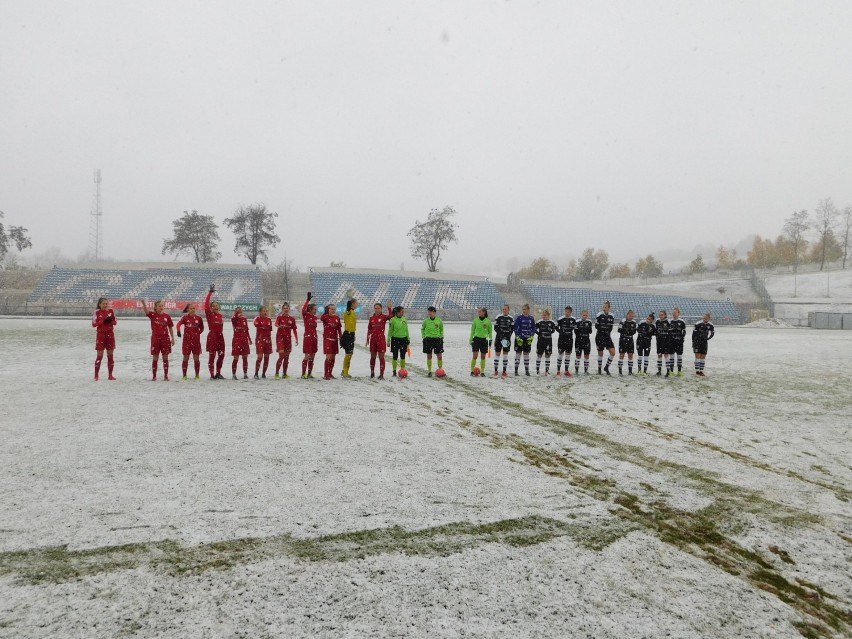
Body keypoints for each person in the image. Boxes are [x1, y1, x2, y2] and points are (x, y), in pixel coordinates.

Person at [141, 300, 175, 381]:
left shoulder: (167, 316)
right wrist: (144, 304)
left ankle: (166, 376)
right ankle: (154, 376)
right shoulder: (153, 315)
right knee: (155, 357)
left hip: (165, 339)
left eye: (162, 306)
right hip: (155, 339)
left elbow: (170, 327)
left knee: (165, 357)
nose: (161, 307)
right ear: (155, 307)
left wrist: (172, 338)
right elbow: (146, 311)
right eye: (159, 306)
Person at [176, 303, 205, 380]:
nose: (192, 310)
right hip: (187, 341)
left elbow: (202, 328)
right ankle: (184, 376)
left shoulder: (199, 318)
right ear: (188, 310)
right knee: (186, 358)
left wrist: (197, 334)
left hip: (196, 342)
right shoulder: (185, 317)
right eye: (191, 308)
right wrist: (178, 331)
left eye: (193, 308)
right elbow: (178, 324)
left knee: (196, 358)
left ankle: (197, 376)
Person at [92, 297, 117, 381]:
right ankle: (96, 375)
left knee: (110, 356)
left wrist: (110, 321)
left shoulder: (111, 311)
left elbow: (115, 322)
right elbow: (94, 324)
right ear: (100, 304)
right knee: (99, 356)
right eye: (104, 304)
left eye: (106, 304)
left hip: (110, 335)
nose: (105, 305)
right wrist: (103, 321)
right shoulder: (97, 312)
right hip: (101, 335)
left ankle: (110, 375)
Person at [366, 301, 393, 379]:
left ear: (381, 309)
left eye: (378, 308)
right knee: (372, 357)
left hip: (381, 339)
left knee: (381, 357)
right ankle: (372, 373)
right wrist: (368, 338)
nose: (377, 310)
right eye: (375, 308)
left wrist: (389, 308)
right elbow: (369, 329)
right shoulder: (371, 318)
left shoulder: (384, 317)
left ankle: (381, 374)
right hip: (373, 340)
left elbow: (391, 316)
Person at [204, 285, 226, 379]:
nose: (215, 307)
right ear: (211, 308)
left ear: (219, 307)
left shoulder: (221, 316)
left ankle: (218, 372)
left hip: (220, 337)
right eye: (213, 306)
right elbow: (206, 305)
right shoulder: (210, 314)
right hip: (212, 336)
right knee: (212, 356)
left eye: (217, 305)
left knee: (221, 355)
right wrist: (210, 293)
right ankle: (212, 374)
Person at [274, 303, 299, 379]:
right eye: (284, 308)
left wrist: (296, 339)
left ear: (289, 309)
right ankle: (277, 373)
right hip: (280, 338)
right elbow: (276, 324)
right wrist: (279, 326)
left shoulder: (292, 319)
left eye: (287, 308)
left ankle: (284, 374)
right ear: (282, 309)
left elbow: (294, 329)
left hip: (288, 339)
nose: (286, 309)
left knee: (286, 357)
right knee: (281, 355)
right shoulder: (279, 317)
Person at [320, 303, 343, 380]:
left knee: (333, 357)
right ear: (328, 309)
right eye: (331, 309)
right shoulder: (325, 317)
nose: (333, 310)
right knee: (328, 357)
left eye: (334, 309)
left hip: (335, 340)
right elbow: (321, 318)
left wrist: (341, 338)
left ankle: (330, 373)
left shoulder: (337, 318)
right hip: (327, 339)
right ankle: (326, 374)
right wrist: (325, 311)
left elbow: (339, 329)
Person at [421, 306, 445, 377]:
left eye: (430, 311)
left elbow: (441, 329)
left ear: (434, 312)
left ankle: (440, 370)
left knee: (439, 356)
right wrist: (424, 336)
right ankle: (429, 371)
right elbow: (422, 329)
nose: (429, 313)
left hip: (437, 339)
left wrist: (441, 336)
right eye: (428, 312)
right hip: (428, 340)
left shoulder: (439, 320)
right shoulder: (425, 321)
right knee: (429, 356)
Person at [513, 304, 536, 376]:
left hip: (527, 339)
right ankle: (516, 371)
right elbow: (515, 328)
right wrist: (517, 336)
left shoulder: (531, 318)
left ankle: (527, 370)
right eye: (523, 309)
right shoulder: (519, 318)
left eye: (525, 309)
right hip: (520, 338)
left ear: (528, 310)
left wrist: (531, 336)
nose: (524, 311)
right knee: (518, 353)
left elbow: (533, 328)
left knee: (526, 354)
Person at [595, 301, 616, 375]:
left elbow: (611, 328)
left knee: (613, 353)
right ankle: (599, 369)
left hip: (607, 336)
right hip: (600, 336)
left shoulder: (612, 315)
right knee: (600, 354)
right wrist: (603, 329)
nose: (604, 308)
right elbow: (596, 326)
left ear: (609, 308)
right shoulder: (599, 315)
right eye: (603, 307)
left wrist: (606, 331)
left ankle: (606, 367)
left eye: (605, 307)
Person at [469, 307, 492, 376]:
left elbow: (490, 332)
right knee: (475, 356)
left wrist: (490, 339)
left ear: (484, 312)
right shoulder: (475, 321)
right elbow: (472, 331)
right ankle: (472, 371)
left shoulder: (488, 321)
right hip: (476, 340)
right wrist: (470, 339)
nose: (478, 313)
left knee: (483, 357)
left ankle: (482, 372)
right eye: (478, 312)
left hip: (484, 341)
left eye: (480, 311)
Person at [231, 306, 252, 379]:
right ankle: (234, 374)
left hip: (244, 340)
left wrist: (249, 339)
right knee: (236, 357)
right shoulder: (234, 319)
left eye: (241, 311)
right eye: (238, 311)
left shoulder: (244, 319)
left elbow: (246, 330)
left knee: (245, 357)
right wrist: (236, 314)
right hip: (237, 339)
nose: (240, 313)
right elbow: (234, 318)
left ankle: (245, 374)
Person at [492, 304, 514, 377]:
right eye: (503, 309)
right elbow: (495, 327)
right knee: (497, 354)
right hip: (499, 338)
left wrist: (507, 336)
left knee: (505, 354)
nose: (504, 310)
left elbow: (512, 329)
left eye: (505, 309)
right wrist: (501, 335)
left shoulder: (511, 318)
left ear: (508, 310)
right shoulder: (498, 317)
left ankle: (504, 371)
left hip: (507, 339)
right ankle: (496, 371)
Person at [388, 306, 410, 376]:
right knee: (395, 356)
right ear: (397, 312)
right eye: (402, 311)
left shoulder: (404, 319)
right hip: (395, 339)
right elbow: (390, 331)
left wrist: (408, 339)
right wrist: (388, 340)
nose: (403, 312)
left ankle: (402, 369)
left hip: (403, 339)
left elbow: (407, 330)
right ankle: (394, 371)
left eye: (403, 311)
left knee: (403, 355)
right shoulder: (392, 320)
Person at [534, 309, 558, 375]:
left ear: (548, 315)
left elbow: (553, 330)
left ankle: (546, 371)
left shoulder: (552, 322)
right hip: (540, 341)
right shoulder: (539, 322)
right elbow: (534, 329)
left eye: (545, 315)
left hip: (548, 342)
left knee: (548, 356)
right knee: (539, 355)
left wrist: (549, 333)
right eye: (543, 315)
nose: (544, 316)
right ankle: (537, 371)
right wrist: (539, 333)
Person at [301, 293, 318, 378]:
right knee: (307, 355)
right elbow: (303, 310)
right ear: (310, 309)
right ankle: (303, 374)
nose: (316, 311)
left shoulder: (315, 318)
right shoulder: (306, 315)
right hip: (307, 337)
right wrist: (307, 300)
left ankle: (309, 373)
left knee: (312, 356)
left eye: (316, 309)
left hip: (314, 338)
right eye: (314, 309)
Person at [692, 312, 715, 377]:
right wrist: (693, 342)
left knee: (703, 357)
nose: (705, 319)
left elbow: (712, 333)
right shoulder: (698, 324)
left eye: (706, 318)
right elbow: (693, 334)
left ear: (709, 318)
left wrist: (708, 338)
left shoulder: (710, 325)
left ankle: (701, 371)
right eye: (704, 318)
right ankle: (697, 371)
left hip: (704, 343)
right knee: (697, 356)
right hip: (697, 342)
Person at [253, 305, 273, 378]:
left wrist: (263, 327)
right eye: (263, 311)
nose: (265, 312)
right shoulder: (257, 318)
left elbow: (269, 329)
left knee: (267, 356)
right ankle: (256, 373)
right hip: (260, 339)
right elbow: (256, 324)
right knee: (260, 356)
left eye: (266, 311)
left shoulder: (269, 319)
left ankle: (264, 374)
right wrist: (263, 327)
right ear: (260, 312)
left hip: (268, 339)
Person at [556, 306, 575, 377]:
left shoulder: (573, 319)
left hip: (570, 339)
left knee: (568, 355)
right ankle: (558, 371)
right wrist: (561, 332)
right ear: (564, 311)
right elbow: (556, 327)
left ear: (571, 312)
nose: (567, 313)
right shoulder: (561, 319)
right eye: (566, 311)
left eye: (568, 312)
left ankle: (566, 371)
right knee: (560, 354)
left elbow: (575, 328)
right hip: (561, 339)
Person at [340, 298, 358, 378]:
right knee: (349, 353)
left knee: (349, 354)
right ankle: (345, 372)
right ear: (352, 304)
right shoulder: (349, 311)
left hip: (351, 334)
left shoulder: (353, 312)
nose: (357, 304)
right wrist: (348, 306)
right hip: (348, 334)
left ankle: (344, 370)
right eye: (356, 303)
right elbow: (347, 312)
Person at [616, 310, 637, 376]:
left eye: (632, 316)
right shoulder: (623, 321)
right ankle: (620, 372)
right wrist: (625, 330)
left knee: (630, 355)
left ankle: (630, 371)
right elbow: (619, 330)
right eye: (630, 316)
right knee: (622, 355)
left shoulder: (634, 322)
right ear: (627, 315)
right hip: (623, 339)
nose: (631, 317)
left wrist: (630, 331)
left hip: (630, 339)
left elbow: (634, 331)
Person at [574, 310, 593, 375]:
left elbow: (590, 331)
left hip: (586, 340)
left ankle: (586, 370)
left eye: (586, 315)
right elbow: (575, 332)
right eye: (583, 315)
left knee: (586, 356)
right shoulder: (577, 322)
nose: (584, 316)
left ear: (587, 316)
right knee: (578, 356)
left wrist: (586, 328)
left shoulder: (589, 322)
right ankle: (576, 370)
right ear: (581, 315)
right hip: (578, 341)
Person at [669, 307, 687, 376]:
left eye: (675, 313)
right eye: (673, 313)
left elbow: (684, 331)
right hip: (671, 342)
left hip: (679, 342)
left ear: (678, 313)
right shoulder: (670, 321)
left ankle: (679, 371)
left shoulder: (682, 322)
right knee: (672, 356)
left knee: (679, 356)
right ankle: (671, 371)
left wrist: (682, 339)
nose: (674, 314)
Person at [655, 310, 671, 377]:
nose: (660, 316)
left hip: (666, 341)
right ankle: (659, 371)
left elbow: (670, 332)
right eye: (660, 314)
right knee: (659, 355)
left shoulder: (668, 322)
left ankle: (668, 371)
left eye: (662, 315)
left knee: (666, 355)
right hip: (659, 341)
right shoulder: (657, 322)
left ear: (665, 315)